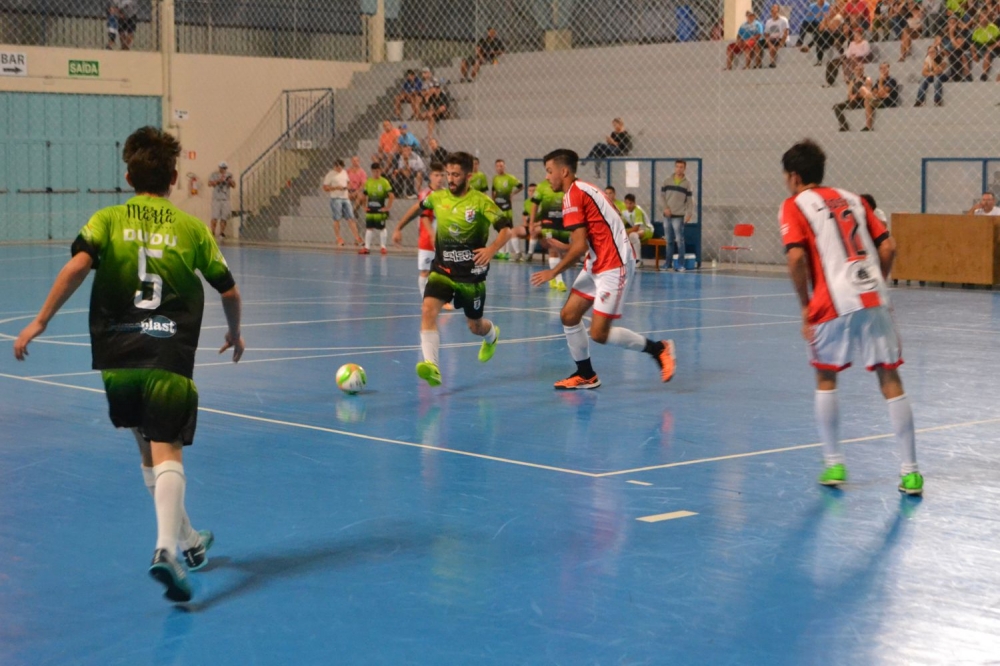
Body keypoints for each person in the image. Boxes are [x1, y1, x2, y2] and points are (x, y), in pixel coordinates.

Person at [13, 126, 245, 602]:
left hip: (117, 356)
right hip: (167, 352)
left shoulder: (107, 220)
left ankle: (190, 541)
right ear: (175, 178)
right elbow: (228, 289)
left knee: (148, 452)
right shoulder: (192, 228)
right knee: (169, 451)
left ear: (127, 175)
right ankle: (167, 550)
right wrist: (235, 331)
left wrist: (40, 320)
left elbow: (78, 266)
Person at [779, 139, 922, 495]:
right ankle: (911, 473)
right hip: (874, 297)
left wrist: (804, 306)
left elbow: (796, 258)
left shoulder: (794, 205)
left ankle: (834, 466)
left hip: (831, 303)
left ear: (795, 176)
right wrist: (878, 283)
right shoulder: (854, 198)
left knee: (826, 376)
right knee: (890, 377)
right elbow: (888, 246)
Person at [530, 149, 676, 390]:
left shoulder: (573, 196)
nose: (547, 177)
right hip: (598, 259)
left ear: (563, 171)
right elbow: (590, 236)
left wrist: (553, 272)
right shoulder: (585, 189)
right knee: (568, 315)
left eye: (549, 171)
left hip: (614, 264)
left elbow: (579, 247)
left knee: (599, 333)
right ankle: (586, 374)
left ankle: (658, 349)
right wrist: (566, 246)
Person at [415, 151, 511, 388]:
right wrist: (398, 226)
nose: (451, 178)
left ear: (468, 176)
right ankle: (433, 367)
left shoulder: (480, 201)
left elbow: (506, 229)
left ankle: (491, 335)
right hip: (443, 269)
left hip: (472, 275)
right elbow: (419, 208)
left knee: (474, 326)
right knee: (428, 310)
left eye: (456, 174)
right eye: (448, 174)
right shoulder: (438, 197)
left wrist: (491, 250)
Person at [392, 162, 446, 299]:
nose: (439, 178)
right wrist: (432, 235)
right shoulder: (426, 194)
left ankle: (440, 297)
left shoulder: (446, 194)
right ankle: (426, 298)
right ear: (430, 176)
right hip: (428, 238)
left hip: (444, 239)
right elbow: (423, 216)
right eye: (436, 175)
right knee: (425, 270)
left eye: (442, 175)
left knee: (443, 270)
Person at [532, 177, 570, 291]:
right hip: (548, 225)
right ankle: (559, 281)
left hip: (563, 225)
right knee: (553, 249)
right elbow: (534, 205)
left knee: (561, 252)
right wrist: (531, 224)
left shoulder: (566, 186)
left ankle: (553, 277)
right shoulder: (542, 186)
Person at [661, 160, 695, 271]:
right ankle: (667, 263)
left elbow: (690, 201)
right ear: (674, 167)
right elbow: (662, 197)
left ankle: (680, 264)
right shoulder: (666, 181)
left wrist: (689, 213)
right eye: (677, 166)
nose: (679, 169)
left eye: (681, 167)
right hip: (667, 216)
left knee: (679, 240)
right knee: (669, 240)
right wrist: (665, 208)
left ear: (684, 168)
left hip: (679, 215)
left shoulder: (687, 183)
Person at [322, 159, 363, 247]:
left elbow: (348, 182)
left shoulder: (344, 172)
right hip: (336, 198)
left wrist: (347, 187)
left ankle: (357, 237)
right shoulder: (330, 174)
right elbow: (325, 187)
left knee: (351, 218)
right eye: (338, 167)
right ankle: (338, 238)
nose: (340, 169)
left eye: (341, 167)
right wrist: (336, 188)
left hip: (345, 198)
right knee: (337, 219)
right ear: (335, 166)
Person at [491, 159, 524, 261]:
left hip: (506, 208)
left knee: (508, 229)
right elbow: (493, 190)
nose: (499, 168)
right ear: (495, 167)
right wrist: (493, 201)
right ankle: (501, 252)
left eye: (501, 166)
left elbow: (521, 186)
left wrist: (513, 194)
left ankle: (508, 252)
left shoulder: (510, 178)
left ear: (504, 166)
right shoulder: (495, 178)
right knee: (499, 229)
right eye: (498, 166)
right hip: (498, 207)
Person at [359, 162, 395, 255]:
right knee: (369, 228)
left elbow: (391, 195)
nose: (376, 173)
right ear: (372, 171)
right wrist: (364, 206)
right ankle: (367, 247)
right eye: (374, 171)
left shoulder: (384, 182)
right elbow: (364, 195)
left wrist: (387, 207)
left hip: (380, 210)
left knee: (382, 228)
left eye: (378, 171)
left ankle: (383, 247)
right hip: (371, 209)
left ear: (381, 171)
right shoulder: (369, 181)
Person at [862, 62, 900, 132]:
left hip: (889, 101)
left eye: (885, 68)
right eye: (881, 68)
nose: (883, 70)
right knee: (866, 99)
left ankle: (869, 126)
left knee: (868, 99)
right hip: (880, 100)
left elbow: (881, 92)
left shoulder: (892, 80)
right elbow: (875, 93)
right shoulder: (878, 81)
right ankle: (868, 126)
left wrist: (881, 81)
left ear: (888, 69)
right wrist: (879, 93)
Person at [833, 61, 867, 131]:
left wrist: (857, 96)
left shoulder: (866, 80)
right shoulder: (852, 81)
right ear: (854, 71)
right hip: (853, 100)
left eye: (860, 70)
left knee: (859, 86)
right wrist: (851, 96)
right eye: (857, 70)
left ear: (863, 70)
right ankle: (844, 125)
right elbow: (849, 93)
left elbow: (867, 93)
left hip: (861, 100)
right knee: (837, 107)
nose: (858, 71)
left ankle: (852, 104)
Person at [620, 194, 653, 267]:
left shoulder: (637, 210)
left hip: (647, 229)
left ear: (634, 203)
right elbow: (622, 224)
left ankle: (638, 260)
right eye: (626, 203)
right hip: (636, 230)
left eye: (630, 203)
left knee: (633, 235)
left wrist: (624, 232)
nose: (628, 205)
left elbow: (636, 228)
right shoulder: (624, 211)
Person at [914, 40, 946, 107]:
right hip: (932, 75)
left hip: (943, 75)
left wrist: (933, 60)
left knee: (937, 78)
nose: (930, 54)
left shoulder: (942, 58)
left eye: (932, 52)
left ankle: (937, 100)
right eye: (929, 52)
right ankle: (920, 100)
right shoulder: (928, 58)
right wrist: (930, 74)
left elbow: (938, 71)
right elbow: (923, 71)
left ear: (936, 52)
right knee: (923, 79)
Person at [208, 161, 235, 240]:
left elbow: (234, 185)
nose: (223, 169)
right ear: (219, 168)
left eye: (224, 168)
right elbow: (209, 184)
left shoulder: (229, 175)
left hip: (225, 199)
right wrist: (218, 181)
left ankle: (222, 233)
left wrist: (230, 181)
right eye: (221, 168)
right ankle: (212, 231)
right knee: (215, 216)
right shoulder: (214, 175)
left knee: (224, 217)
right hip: (216, 199)